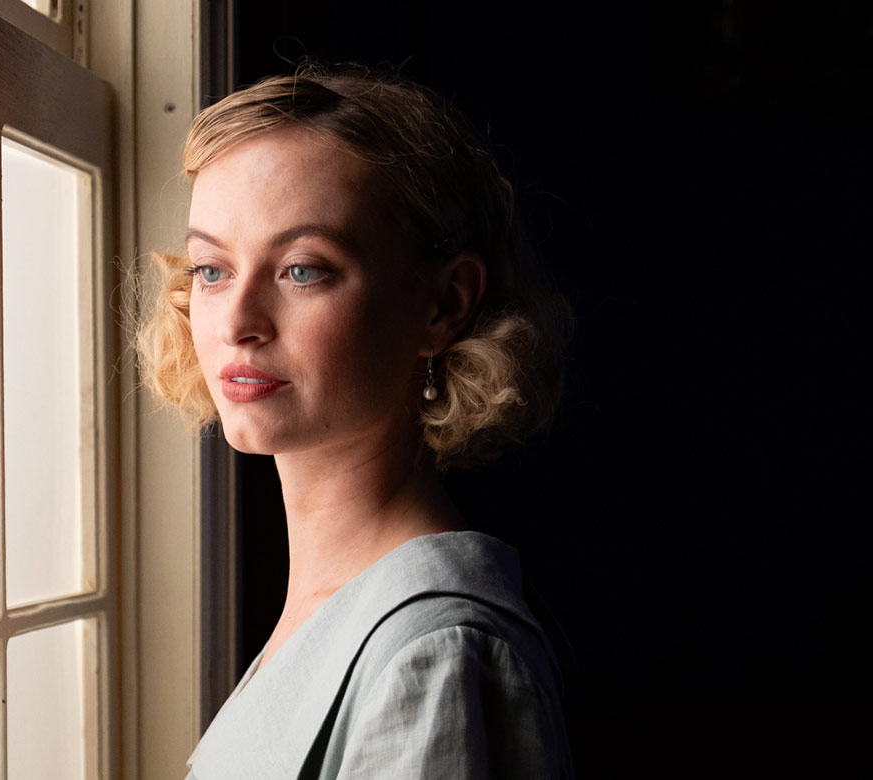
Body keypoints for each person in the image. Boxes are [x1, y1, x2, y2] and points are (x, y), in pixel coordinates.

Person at [137, 62, 574, 779]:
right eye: (212, 269)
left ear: (443, 305)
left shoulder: (434, 656)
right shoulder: (345, 609)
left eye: (303, 269)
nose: (238, 321)